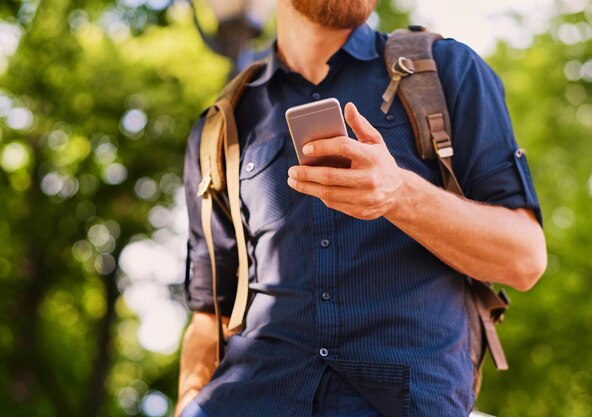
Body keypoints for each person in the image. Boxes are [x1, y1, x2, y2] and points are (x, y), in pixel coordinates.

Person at [176, 0, 547, 416]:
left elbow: (525, 258)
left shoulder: (445, 71)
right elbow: (210, 314)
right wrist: (188, 404)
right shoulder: (223, 124)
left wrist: (401, 195)